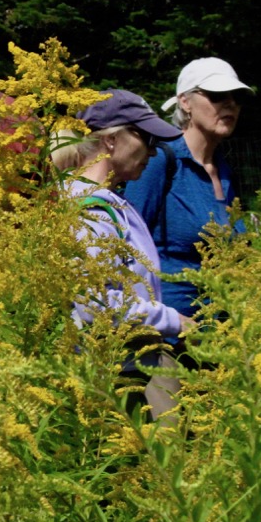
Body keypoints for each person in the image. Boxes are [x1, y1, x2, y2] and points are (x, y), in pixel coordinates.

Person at [52, 89, 187, 423]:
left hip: (125, 363)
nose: (154, 152)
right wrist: (172, 320)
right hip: (114, 372)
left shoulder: (108, 203)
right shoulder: (90, 211)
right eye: (145, 138)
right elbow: (93, 304)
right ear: (111, 140)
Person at [123, 58, 252, 327]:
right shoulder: (160, 160)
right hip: (169, 335)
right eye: (217, 95)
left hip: (222, 333)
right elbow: (128, 243)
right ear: (185, 102)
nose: (230, 104)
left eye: (237, 97)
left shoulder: (226, 171)